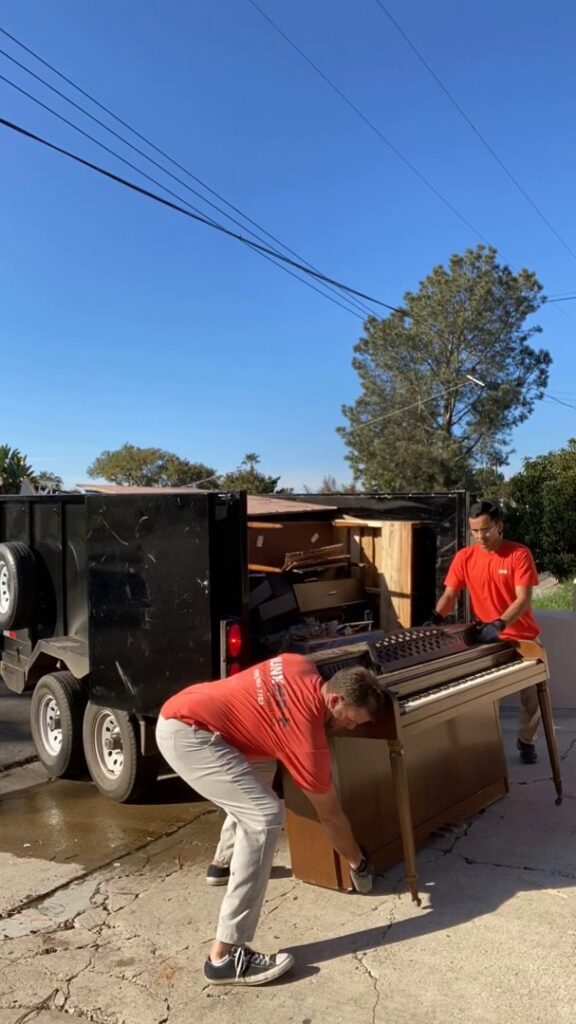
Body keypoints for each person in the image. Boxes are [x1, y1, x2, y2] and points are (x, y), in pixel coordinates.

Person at [155, 654, 386, 987]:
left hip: (193, 708)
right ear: (334, 699)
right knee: (264, 815)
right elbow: (331, 816)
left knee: (264, 766)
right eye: (351, 719)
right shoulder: (307, 743)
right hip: (190, 734)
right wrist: (358, 864)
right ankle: (225, 955)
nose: (351, 727)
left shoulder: (299, 664)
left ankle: (223, 862)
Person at [429, 498, 541, 765]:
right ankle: (488, 755)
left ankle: (526, 741)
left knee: (534, 700)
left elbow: (522, 599)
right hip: (488, 642)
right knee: (489, 701)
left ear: (498, 526)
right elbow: (449, 595)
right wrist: (434, 618)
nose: (479, 536)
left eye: (485, 529)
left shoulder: (518, 554)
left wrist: (499, 624)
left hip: (523, 638)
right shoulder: (464, 558)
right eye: (474, 530)